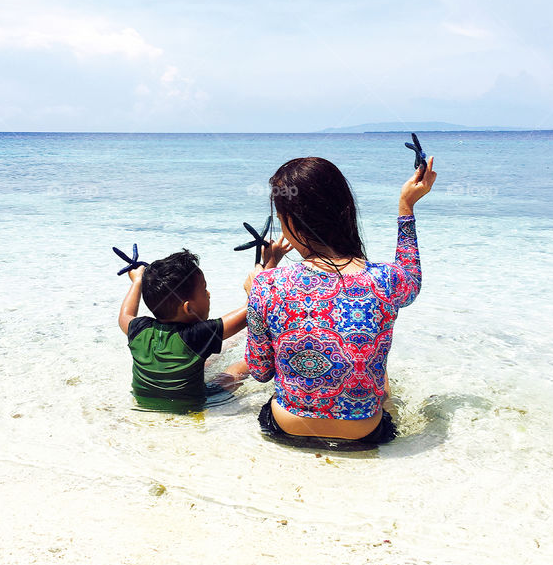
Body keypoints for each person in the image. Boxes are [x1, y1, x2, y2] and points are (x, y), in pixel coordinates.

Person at [245, 155, 436, 445]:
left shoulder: (267, 285)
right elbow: (411, 275)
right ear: (344, 211)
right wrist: (406, 207)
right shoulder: (386, 279)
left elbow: (260, 371)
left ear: (291, 222)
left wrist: (257, 298)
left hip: (287, 428)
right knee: (380, 380)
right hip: (364, 433)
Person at [118, 245, 288, 411]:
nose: (208, 294)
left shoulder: (139, 329)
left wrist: (137, 281)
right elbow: (252, 308)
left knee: (203, 359)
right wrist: (270, 262)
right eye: (204, 289)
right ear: (188, 308)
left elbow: (124, 316)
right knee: (238, 367)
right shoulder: (197, 336)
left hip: (144, 402)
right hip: (194, 404)